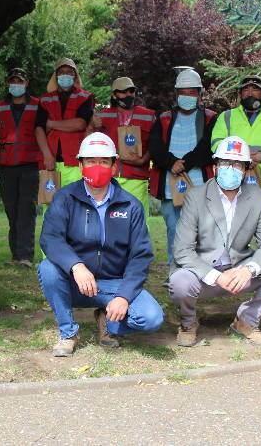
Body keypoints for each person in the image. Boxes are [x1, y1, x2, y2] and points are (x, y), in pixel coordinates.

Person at [38, 132, 163, 356]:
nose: (98, 166)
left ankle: (109, 322)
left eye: (104, 162)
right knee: (47, 268)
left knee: (152, 318)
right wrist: (75, 265)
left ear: (114, 166)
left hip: (114, 283)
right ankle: (68, 332)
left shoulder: (130, 205)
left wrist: (123, 296)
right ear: (80, 165)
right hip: (76, 283)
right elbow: (50, 238)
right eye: (91, 161)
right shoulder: (65, 198)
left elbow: (140, 256)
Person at [169, 136, 261, 346]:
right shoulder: (195, 196)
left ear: (246, 170)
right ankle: (188, 322)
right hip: (204, 272)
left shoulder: (257, 196)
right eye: (225, 163)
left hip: (239, 270)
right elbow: (182, 251)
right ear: (215, 168)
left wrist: (249, 270)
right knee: (180, 281)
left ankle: (246, 320)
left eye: (237, 164)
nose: (230, 168)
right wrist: (216, 276)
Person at [148, 68, 218, 265]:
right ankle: (175, 269)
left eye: (192, 92)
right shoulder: (163, 119)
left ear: (199, 94)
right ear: (176, 93)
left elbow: (208, 146)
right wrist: (171, 163)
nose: (187, 96)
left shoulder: (210, 118)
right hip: (169, 184)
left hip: (199, 184)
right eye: (183, 92)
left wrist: (184, 164)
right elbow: (155, 146)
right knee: (173, 227)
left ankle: (197, 270)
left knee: (199, 229)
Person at [210, 75, 261, 245]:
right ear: (240, 94)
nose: (250, 92)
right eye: (245, 89)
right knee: (231, 227)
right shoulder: (227, 117)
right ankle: (233, 268)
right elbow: (216, 143)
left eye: (255, 89)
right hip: (233, 177)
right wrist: (239, 158)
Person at [0, 68, 41, 267]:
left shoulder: (38, 105)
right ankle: (15, 256)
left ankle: (26, 257)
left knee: (26, 211)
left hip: (30, 164)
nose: (16, 84)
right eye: (12, 81)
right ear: (7, 83)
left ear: (26, 82)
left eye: (19, 81)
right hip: (6, 165)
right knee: (12, 211)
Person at [92, 76, 156, 211]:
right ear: (114, 95)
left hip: (137, 178)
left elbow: (155, 143)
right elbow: (91, 144)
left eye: (131, 91)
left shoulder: (148, 115)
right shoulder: (102, 116)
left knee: (137, 222)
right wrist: (92, 127)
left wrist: (143, 160)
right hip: (109, 178)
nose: (128, 94)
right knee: (110, 222)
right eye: (123, 91)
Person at [35, 58, 94, 188]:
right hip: (50, 161)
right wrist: (46, 155)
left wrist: (50, 124)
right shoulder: (45, 99)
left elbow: (80, 124)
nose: (65, 75)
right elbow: (39, 128)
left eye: (69, 72)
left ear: (75, 75)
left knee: (75, 203)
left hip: (75, 162)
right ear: (56, 76)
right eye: (61, 72)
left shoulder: (85, 97)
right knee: (50, 204)